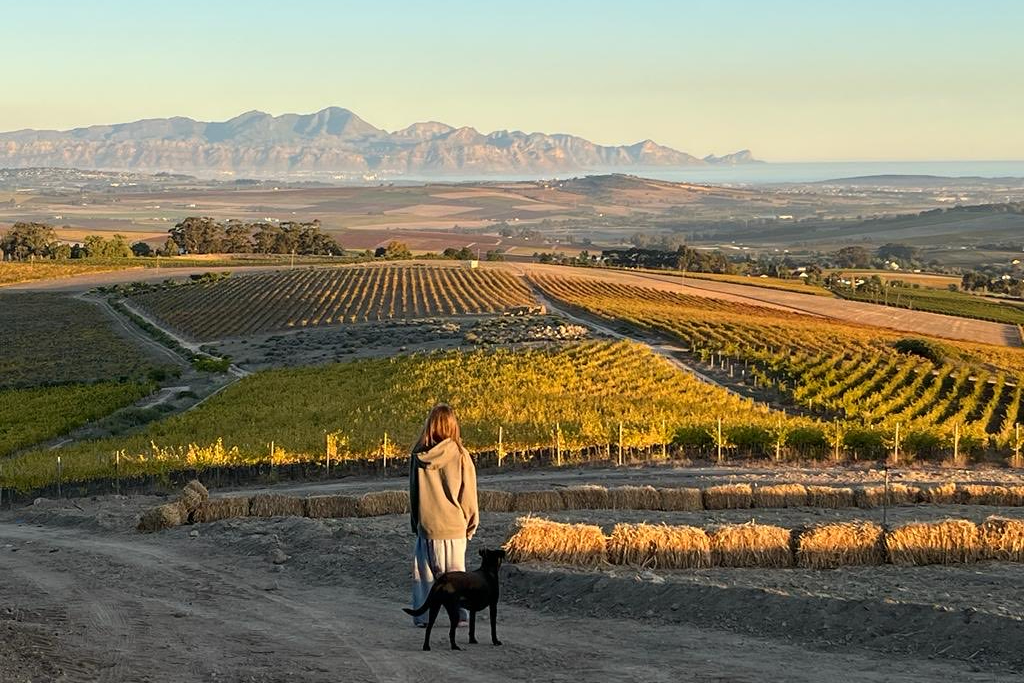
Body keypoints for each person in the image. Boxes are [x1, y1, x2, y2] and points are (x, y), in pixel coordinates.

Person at [408, 404, 479, 627]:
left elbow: (414, 493)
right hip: (455, 527)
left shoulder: (418, 455)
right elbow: (468, 495)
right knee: (457, 575)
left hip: (427, 527)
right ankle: (458, 616)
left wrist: (416, 524)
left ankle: (423, 618)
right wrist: (470, 525)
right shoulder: (460, 455)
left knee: (425, 576)